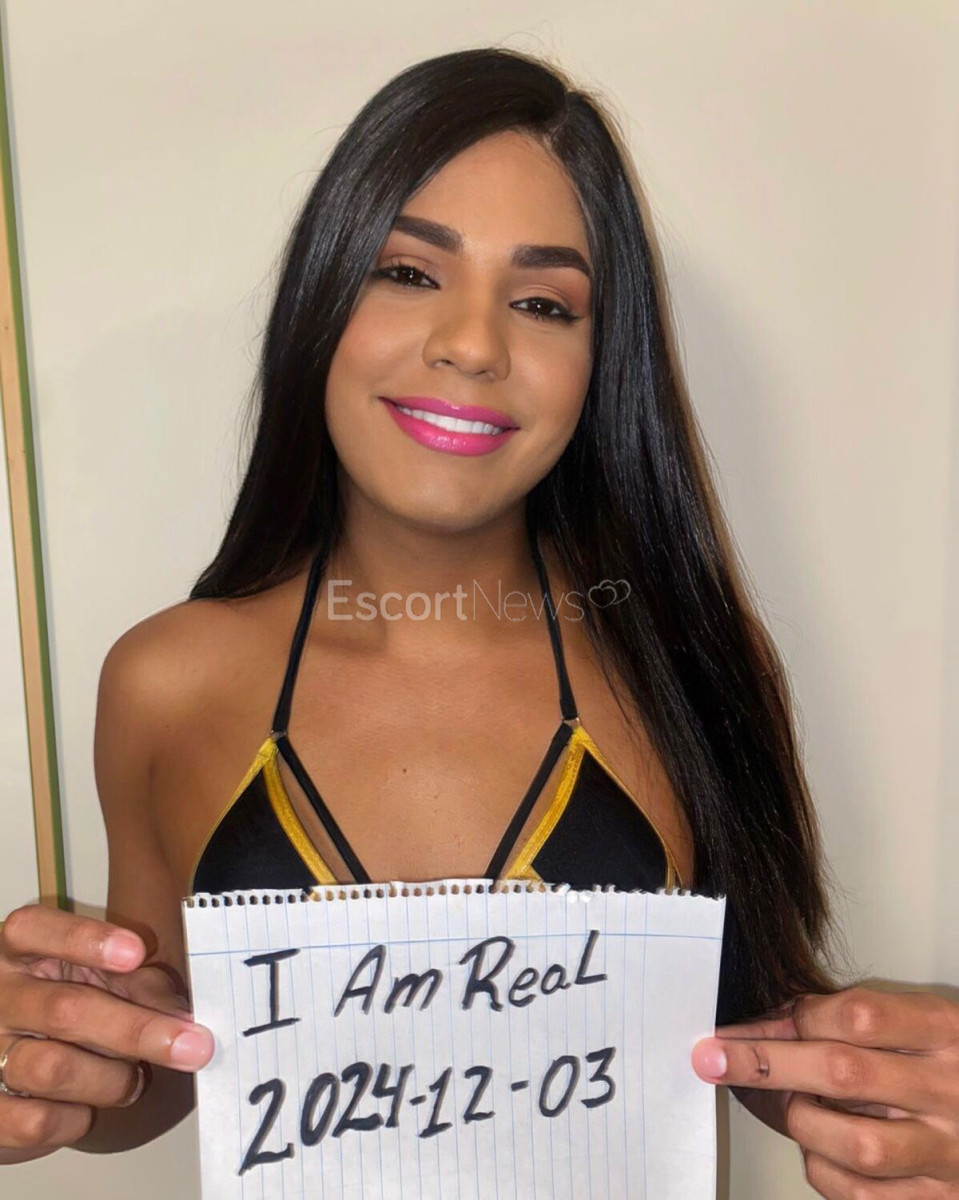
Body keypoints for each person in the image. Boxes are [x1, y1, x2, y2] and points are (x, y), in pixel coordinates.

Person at [0, 46, 956, 1195]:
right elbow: (161, 1071)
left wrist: (884, 1086)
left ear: (599, 362)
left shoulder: (678, 653)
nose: (471, 344)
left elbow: (745, 1038)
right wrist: (56, 1058)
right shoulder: (167, 678)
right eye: (408, 273)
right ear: (320, 303)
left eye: (543, 303)